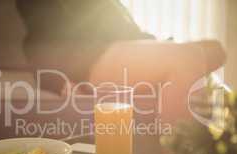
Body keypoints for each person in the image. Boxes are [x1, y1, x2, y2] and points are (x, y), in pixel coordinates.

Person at [16, 0, 226, 122]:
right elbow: (36, 42)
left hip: (121, 50)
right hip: (88, 60)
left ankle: (169, 77)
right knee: (189, 57)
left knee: (214, 50)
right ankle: (177, 148)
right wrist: (60, 83)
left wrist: (160, 46)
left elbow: (130, 33)